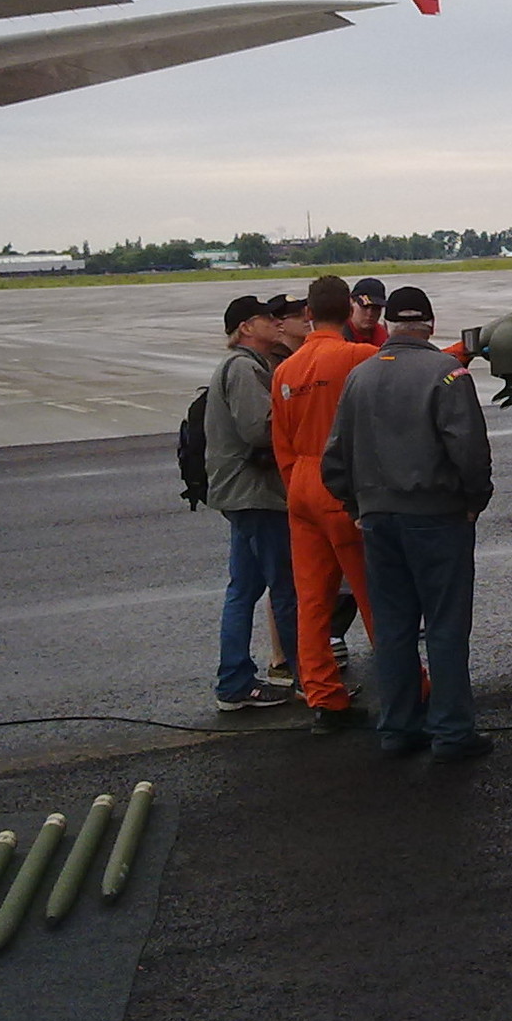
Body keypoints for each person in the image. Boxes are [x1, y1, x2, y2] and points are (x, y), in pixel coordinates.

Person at [321, 284, 494, 760]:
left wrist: (357, 506)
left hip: (378, 519)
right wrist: (474, 499)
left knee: (394, 627)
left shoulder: (361, 376)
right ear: (431, 326)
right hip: (437, 515)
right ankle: (453, 732)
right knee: (444, 625)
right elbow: (469, 449)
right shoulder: (447, 373)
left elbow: (333, 460)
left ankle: (398, 728)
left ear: (390, 325)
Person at [273, 275, 381, 735]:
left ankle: (323, 697)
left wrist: (298, 485)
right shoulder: (359, 356)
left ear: (310, 313)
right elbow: (417, 367)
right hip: (341, 483)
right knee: (376, 594)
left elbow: (281, 445)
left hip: (300, 483)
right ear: (349, 309)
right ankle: (411, 686)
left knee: (313, 599)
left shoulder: (285, 371)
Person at [205, 294, 298, 713]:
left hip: (242, 493)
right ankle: (304, 676)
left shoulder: (246, 365)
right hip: (256, 494)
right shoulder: (243, 368)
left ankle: (234, 681)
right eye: (266, 318)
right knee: (285, 588)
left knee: (243, 588)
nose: (276, 322)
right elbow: (258, 430)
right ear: (246, 327)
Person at [345, 277, 389, 346]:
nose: (370, 313)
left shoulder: (384, 337)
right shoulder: (337, 334)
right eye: (365, 307)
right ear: (352, 302)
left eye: (376, 308)